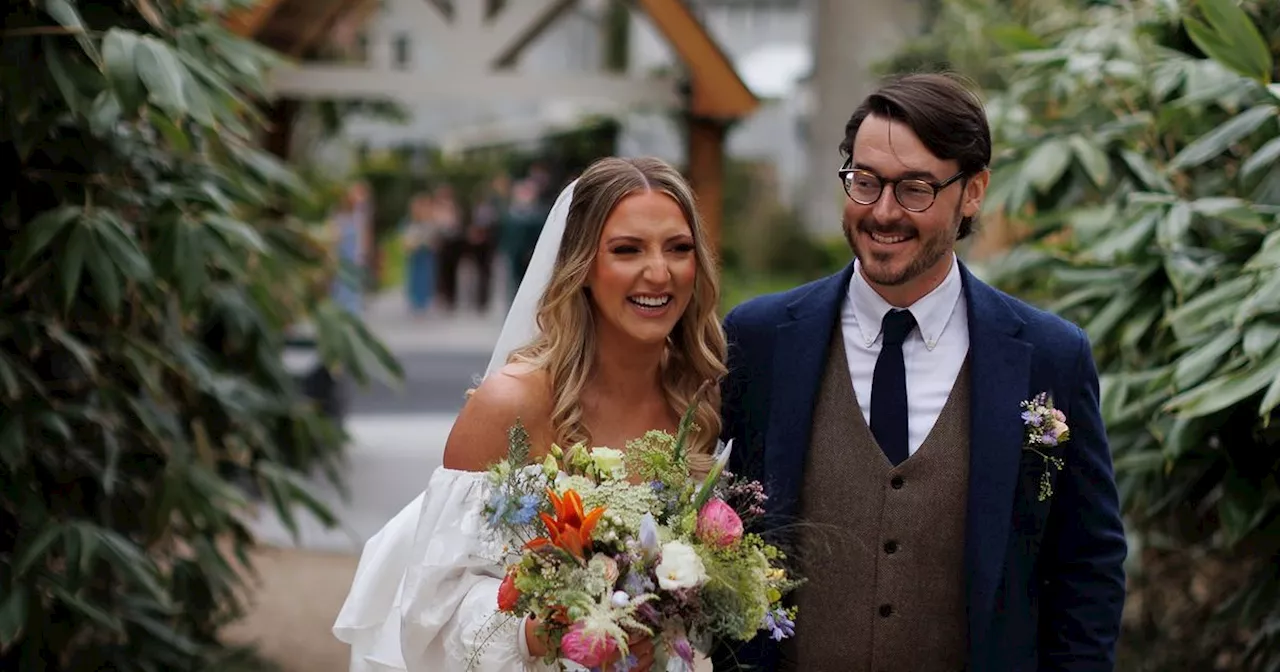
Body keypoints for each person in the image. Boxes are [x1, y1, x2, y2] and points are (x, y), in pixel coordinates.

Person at [713, 73, 1128, 671]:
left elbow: (1087, 566)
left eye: (914, 189)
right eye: (864, 182)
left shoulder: (1049, 356)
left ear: (974, 191)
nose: (883, 212)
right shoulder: (760, 340)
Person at [333, 156, 727, 672]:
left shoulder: (697, 398)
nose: (659, 272)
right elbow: (432, 613)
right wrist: (550, 630)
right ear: (582, 265)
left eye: (678, 248)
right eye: (627, 250)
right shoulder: (511, 405)